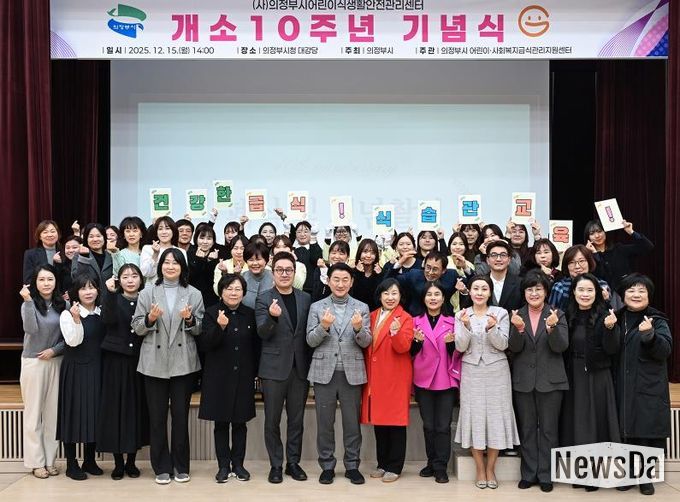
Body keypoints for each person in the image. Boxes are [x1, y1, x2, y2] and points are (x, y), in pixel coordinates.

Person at [132, 248, 205, 484]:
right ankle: (161, 466)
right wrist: (150, 319)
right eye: (166, 262)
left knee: (181, 417)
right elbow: (137, 327)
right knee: (157, 418)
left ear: (182, 267)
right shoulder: (147, 292)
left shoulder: (193, 293)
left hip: (183, 362)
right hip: (154, 361)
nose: (170, 266)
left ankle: (181, 466)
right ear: (160, 266)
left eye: (175, 263)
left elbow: (200, 329)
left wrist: (190, 319)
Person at [306, 262, 371, 485]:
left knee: (352, 424)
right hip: (324, 372)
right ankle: (327, 466)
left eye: (345, 280)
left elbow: (366, 342)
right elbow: (310, 340)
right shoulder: (317, 307)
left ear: (351, 282)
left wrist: (358, 328)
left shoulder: (361, 307)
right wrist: (323, 326)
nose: (340, 284)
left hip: (351, 373)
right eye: (336, 279)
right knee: (325, 424)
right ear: (328, 281)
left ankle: (352, 466)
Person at [455, 275, 519, 489]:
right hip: (471, 370)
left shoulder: (500, 313)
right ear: (470, 291)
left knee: (496, 417)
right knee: (474, 416)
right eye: (476, 288)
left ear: (490, 292)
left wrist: (492, 328)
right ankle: (479, 468)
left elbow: (503, 345)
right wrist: (465, 326)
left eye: (484, 288)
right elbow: (460, 347)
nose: (480, 292)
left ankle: (490, 468)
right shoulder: (461, 314)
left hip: (497, 371)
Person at [255, 252, 313, 484]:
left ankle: (293, 463)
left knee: (296, 420)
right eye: (280, 270)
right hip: (273, 369)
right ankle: (276, 465)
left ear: (295, 272)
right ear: (273, 273)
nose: (284, 274)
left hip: (300, 369)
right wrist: (272, 317)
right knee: (272, 420)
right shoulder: (264, 298)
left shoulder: (305, 298)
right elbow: (262, 332)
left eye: (289, 270)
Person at [508, 271, 568, 493]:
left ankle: (546, 475)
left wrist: (552, 329)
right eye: (529, 289)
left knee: (549, 430)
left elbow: (561, 346)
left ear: (546, 292)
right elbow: (513, 348)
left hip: (551, 381)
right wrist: (518, 329)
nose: (534, 293)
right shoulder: (517, 315)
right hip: (523, 381)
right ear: (524, 292)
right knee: (527, 429)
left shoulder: (557, 314)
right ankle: (528, 474)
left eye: (538, 289)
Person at [561, 273, 620, 492]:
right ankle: (580, 471)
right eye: (581, 290)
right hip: (573, 374)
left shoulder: (606, 315)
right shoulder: (567, 314)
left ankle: (595, 473)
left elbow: (612, 349)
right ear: (573, 292)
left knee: (597, 422)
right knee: (576, 422)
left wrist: (611, 329)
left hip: (597, 374)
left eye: (589, 290)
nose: (585, 294)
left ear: (597, 293)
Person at [613, 274, 672, 496]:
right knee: (626, 432)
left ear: (649, 295)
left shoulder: (657, 320)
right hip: (622, 384)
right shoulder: (616, 318)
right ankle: (629, 474)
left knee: (647, 433)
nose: (636, 295)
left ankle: (646, 477)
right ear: (623, 295)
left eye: (641, 291)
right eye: (631, 290)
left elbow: (665, 351)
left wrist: (650, 336)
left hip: (648, 386)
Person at [199, 274, 259, 483]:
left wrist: (256, 373)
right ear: (221, 291)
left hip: (243, 376)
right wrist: (220, 327)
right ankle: (223, 466)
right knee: (221, 424)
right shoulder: (211, 313)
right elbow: (205, 345)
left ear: (244, 293)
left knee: (241, 423)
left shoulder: (250, 314)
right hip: (218, 378)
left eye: (237, 289)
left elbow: (256, 347)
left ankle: (239, 465)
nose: (233, 293)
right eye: (229, 289)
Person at [97, 264, 148, 480]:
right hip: (115, 361)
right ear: (119, 280)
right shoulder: (113, 298)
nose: (130, 280)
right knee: (115, 410)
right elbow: (107, 320)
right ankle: (118, 463)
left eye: (134, 276)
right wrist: (109, 293)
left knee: (135, 409)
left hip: (139, 360)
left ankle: (131, 462)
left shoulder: (146, 299)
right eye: (125, 277)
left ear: (140, 279)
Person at [361, 279, 414, 483]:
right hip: (375, 376)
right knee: (380, 422)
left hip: (395, 377)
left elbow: (403, 348)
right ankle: (382, 463)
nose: (390, 297)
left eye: (394, 293)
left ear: (401, 296)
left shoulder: (405, 318)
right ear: (380, 295)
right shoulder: (372, 315)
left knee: (396, 423)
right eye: (386, 293)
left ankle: (395, 466)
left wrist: (395, 332)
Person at [411, 281, 461, 483]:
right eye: (429, 294)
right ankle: (431, 462)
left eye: (437, 294)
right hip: (423, 379)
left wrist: (451, 345)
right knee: (428, 425)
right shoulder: (415, 321)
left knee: (442, 426)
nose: (433, 298)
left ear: (443, 298)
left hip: (445, 379)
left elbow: (458, 353)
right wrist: (417, 342)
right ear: (423, 299)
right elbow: (410, 353)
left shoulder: (453, 321)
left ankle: (441, 467)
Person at [19, 265, 66, 479]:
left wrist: (54, 350)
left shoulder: (63, 304)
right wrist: (28, 301)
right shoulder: (28, 304)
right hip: (33, 362)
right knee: (33, 414)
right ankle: (36, 462)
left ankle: (49, 460)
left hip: (56, 361)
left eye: (50, 279)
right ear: (35, 283)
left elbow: (69, 337)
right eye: (41, 280)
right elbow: (30, 329)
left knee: (52, 415)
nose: (46, 283)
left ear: (56, 281)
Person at [57, 274, 105, 481]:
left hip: (97, 367)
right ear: (76, 292)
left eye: (92, 287)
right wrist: (77, 320)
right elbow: (73, 341)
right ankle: (71, 463)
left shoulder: (102, 312)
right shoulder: (68, 314)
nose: (88, 292)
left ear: (98, 290)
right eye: (83, 288)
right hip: (76, 368)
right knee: (73, 413)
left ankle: (89, 460)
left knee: (94, 413)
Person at [387, 250, 468, 316]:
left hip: (444, 318)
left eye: (435, 269)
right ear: (424, 265)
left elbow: (472, 282)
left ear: (443, 270)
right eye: (428, 267)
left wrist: (465, 267)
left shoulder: (451, 276)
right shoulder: (414, 275)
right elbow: (389, 281)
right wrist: (399, 263)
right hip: (416, 318)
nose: (430, 272)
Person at [584, 219, 654, 291]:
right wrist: (594, 253)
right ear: (588, 237)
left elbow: (647, 247)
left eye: (599, 231)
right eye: (592, 233)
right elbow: (601, 274)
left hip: (625, 292)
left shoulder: (619, 249)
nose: (597, 236)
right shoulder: (587, 256)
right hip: (603, 294)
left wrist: (631, 232)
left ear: (605, 232)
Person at [548, 244, 615, 310]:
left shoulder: (601, 285)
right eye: (572, 262)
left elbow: (608, 311)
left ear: (589, 262)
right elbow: (551, 312)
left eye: (581, 261)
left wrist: (605, 299)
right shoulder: (560, 287)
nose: (577, 266)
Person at [139, 216, 187, 284]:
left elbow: (183, 275)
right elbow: (146, 273)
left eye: (167, 228)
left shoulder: (181, 251)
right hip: (153, 288)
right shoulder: (147, 248)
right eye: (160, 229)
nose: (164, 232)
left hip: (175, 287)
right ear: (156, 232)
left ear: (173, 231)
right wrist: (155, 254)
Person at [71, 223, 114, 296]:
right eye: (91, 236)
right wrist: (84, 257)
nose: (95, 239)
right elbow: (76, 278)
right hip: (89, 298)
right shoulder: (79, 256)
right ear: (86, 239)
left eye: (98, 236)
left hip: (110, 299)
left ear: (104, 238)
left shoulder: (111, 256)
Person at [187, 222, 219, 308]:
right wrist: (199, 260)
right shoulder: (189, 254)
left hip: (212, 300)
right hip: (192, 299)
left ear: (213, 241)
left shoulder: (216, 255)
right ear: (196, 239)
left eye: (209, 238)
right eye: (202, 238)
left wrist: (210, 261)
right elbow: (189, 278)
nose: (205, 242)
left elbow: (213, 281)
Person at [446, 232, 475, 313]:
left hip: (465, 307)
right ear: (449, 246)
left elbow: (473, 282)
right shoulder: (444, 261)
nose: (457, 247)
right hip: (447, 306)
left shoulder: (470, 265)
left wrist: (464, 267)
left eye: (461, 244)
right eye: (454, 244)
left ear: (465, 247)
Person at [351, 239, 384, 311]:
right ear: (359, 253)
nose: (368, 256)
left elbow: (381, 296)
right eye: (365, 252)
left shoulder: (381, 272)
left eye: (372, 253)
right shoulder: (352, 272)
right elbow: (353, 294)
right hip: (356, 312)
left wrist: (380, 275)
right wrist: (358, 273)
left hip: (376, 313)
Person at [292, 220, 323, 294]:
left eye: (306, 232)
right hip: (294, 289)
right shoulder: (292, 251)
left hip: (312, 289)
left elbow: (315, 260)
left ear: (311, 233)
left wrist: (313, 239)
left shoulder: (316, 248)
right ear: (295, 234)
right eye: (299, 232)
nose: (302, 234)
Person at [240, 242, 274, 309]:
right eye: (251, 260)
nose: (255, 263)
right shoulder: (241, 278)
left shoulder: (274, 277)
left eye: (258, 259)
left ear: (266, 260)